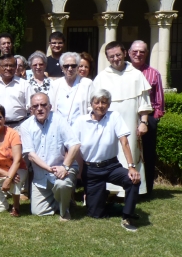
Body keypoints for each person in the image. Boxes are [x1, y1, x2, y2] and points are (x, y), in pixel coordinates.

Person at [74, 89, 142, 231]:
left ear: (109, 104)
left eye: (104, 102)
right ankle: (111, 205)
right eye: (97, 102)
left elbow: (124, 142)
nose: (100, 105)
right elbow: (75, 147)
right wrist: (78, 171)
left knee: (133, 180)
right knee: (95, 214)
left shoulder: (114, 117)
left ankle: (127, 216)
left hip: (111, 166)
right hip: (91, 170)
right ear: (91, 104)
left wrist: (131, 167)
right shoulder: (81, 121)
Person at [93, 41, 152, 196]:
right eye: (111, 56)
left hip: (131, 123)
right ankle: (111, 191)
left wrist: (144, 122)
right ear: (107, 58)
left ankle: (131, 189)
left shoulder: (136, 74)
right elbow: (94, 105)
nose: (115, 59)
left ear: (125, 53)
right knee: (110, 154)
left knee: (131, 152)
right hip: (108, 125)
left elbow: (144, 103)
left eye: (118, 55)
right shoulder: (102, 77)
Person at [19, 92, 82, 220]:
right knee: (37, 212)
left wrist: (64, 167)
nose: (39, 108)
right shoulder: (25, 126)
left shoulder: (59, 120)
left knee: (62, 185)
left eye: (43, 105)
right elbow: (31, 155)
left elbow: (75, 145)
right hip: (41, 176)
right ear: (31, 109)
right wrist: (49, 169)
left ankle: (64, 212)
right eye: (35, 106)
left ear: (50, 106)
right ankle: (63, 199)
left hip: (63, 169)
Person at [129, 40, 164, 196]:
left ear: (146, 53)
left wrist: (153, 119)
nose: (138, 54)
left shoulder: (153, 73)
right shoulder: (123, 72)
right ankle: (127, 186)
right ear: (129, 53)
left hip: (147, 119)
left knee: (148, 154)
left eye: (142, 51)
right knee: (128, 151)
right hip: (127, 118)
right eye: (135, 51)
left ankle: (147, 189)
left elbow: (159, 101)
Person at [0, 54, 33, 129]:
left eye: (11, 66)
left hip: (19, 126)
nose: (8, 68)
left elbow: (31, 108)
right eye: (5, 66)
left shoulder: (25, 84)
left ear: (16, 67)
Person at [48, 52, 95, 125]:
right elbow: (50, 107)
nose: (70, 69)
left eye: (73, 66)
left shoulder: (87, 83)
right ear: (61, 67)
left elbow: (92, 107)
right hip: (59, 128)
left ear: (77, 67)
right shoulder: (55, 84)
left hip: (81, 128)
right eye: (66, 66)